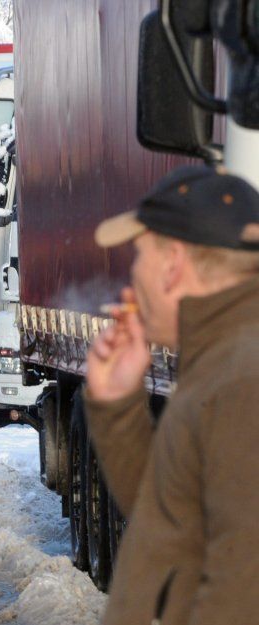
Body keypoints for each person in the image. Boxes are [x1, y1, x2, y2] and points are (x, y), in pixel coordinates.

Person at [85, 165, 259, 625]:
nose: (131, 275)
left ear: (173, 265)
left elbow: (242, 591)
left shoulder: (242, 382)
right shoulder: (221, 361)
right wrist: (117, 404)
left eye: (138, 255)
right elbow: (173, 525)